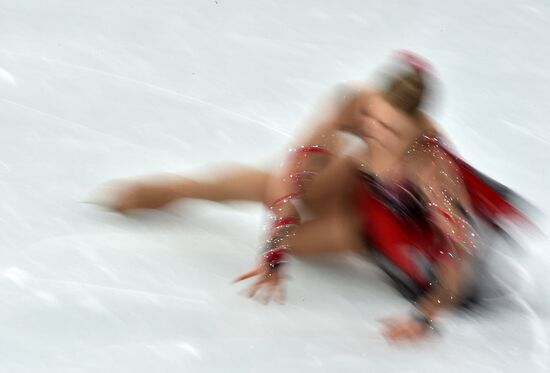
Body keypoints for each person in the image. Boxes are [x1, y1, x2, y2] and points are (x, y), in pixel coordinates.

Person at [102, 52, 532, 341]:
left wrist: (425, 318)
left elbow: (459, 251)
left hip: (385, 230)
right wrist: (272, 255)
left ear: (417, 126)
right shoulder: (357, 104)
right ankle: (177, 190)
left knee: (299, 241)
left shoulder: (428, 164)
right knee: (273, 187)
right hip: (356, 180)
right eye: (374, 120)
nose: (377, 132)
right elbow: (298, 165)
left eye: (393, 130)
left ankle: (194, 197)